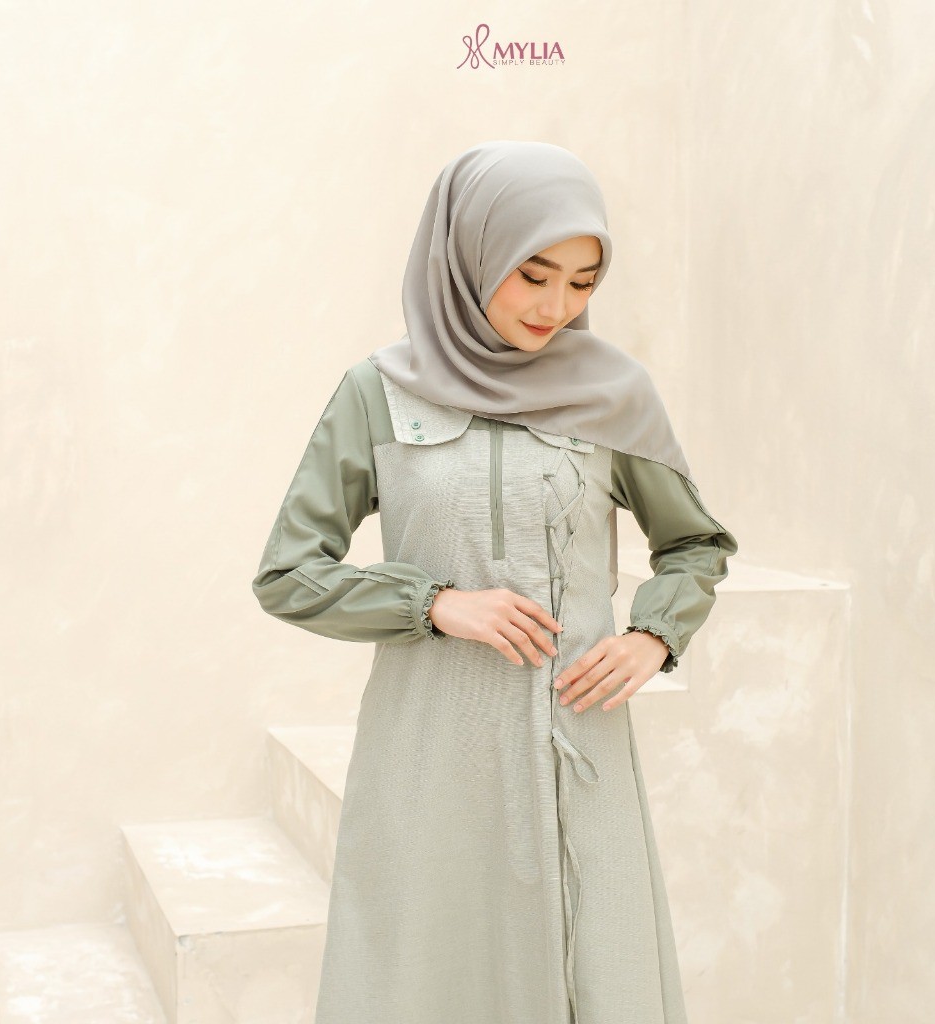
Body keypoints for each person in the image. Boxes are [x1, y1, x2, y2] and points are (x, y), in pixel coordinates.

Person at [251, 139, 738, 1024]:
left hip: (578, 745)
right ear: (468, 255)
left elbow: (695, 543)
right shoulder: (378, 393)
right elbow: (289, 572)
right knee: (428, 979)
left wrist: (653, 634)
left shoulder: (615, 393)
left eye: (583, 281)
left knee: (594, 974)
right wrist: (434, 603)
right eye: (533, 274)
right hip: (433, 748)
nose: (556, 307)